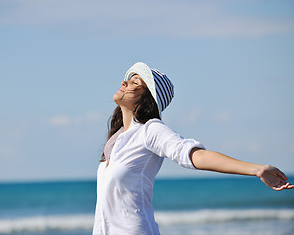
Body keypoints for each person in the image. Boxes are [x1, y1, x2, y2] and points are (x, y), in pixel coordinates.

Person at [92, 62, 293, 235]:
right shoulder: (116, 140)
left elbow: (195, 156)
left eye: (136, 83)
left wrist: (257, 170)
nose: (124, 83)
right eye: (128, 79)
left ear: (147, 99)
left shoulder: (150, 130)